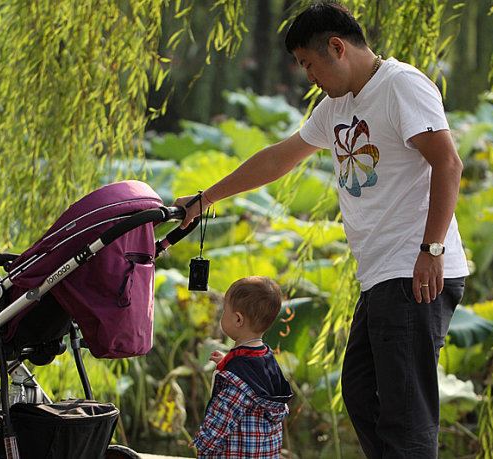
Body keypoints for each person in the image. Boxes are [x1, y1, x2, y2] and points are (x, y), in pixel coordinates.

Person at [176, 2, 469, 457]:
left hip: (414, 270)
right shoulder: (337, 106)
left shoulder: (401, 85)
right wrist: (206, 198)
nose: (307, 76)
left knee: (405, 410)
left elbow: (448, 163)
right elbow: (278, 158)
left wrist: (431, 249)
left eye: (309, 64)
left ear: (337, 47)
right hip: (380, 275)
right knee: (359, 390)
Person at [192, 276, 293, 457]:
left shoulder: (235, 381)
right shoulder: (267, 358)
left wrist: (201, 445)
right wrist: (226, 362)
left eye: (224, 311)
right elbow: (254, 380)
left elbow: (220, 422)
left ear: (238, 320)